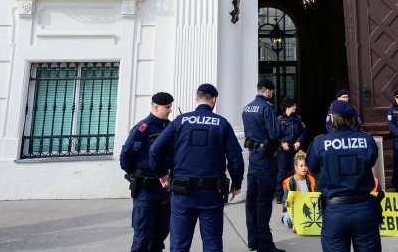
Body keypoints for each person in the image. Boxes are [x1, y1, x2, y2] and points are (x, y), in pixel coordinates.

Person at [150, 83, 244, 252]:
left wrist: (162, 174)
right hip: (211, 194)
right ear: (214, 99)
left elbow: (155, 150)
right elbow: (235, 158)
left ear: (196, 99)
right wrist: (237, 182)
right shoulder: (222, 124)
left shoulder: (180, 121)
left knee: (179, 245)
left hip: (181, 193)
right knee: (212, 245)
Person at [306, 99, 381, 252]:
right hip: (364, 208)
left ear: (332, 118)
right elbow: (371, 161)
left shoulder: (320, 143)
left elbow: (312, 168)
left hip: (335, 210)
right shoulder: (367, 140)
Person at [120, 91, 175, 252]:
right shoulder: (142, 128)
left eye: (170, 106)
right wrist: (137, 175)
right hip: (146, 188)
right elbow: (125, 157)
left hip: (164, 188)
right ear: (156, 107)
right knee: (143, 233)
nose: (170, 110)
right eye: (167, 107)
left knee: (161, 231)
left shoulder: (170, 126)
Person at [242, 78, 284, 252]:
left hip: (253, 157)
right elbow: (275, 133)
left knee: (251, 200)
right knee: (264, 201)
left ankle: (253, 240)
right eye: (271, 92)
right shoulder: (266, 108)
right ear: (268, 91)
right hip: (265, 158)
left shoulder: (247, 108)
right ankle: (265, 245)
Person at [275, 97, 305, 202]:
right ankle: (280, 196)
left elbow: (303, 132)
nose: (295, 107)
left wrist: (299, 141)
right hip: (283, 151)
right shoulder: (279, 120)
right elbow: (275, 134)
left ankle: (295, 195)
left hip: (295, 151)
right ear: (288, 107)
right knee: (281, 174)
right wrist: (282, 143)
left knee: (296, 173)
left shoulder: (298, 119)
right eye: (293, 105)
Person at [280, 151, 316, 228]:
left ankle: (300, 224)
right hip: (294, 211)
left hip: (309, 209)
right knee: (288, 219)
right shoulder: (290, 181)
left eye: (305, 165)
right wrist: (286, 204)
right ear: (296, 167)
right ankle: (299, 224)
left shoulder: (311, 180)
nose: (304, 168)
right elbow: (284, 202)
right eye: (301, 165)